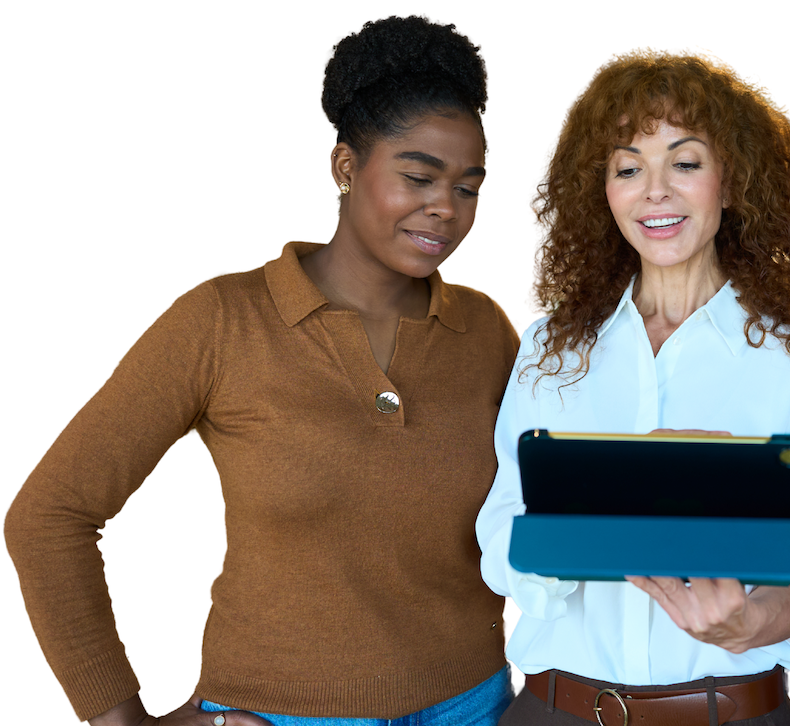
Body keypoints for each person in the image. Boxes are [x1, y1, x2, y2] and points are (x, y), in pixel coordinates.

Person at [6, 16, 519, 726]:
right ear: (345, 168)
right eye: (418, 177)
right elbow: (47, 518)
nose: (446, 208)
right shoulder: (223, 322)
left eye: (468, 187)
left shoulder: (484, 330)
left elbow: (539, 510)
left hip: (475, 704)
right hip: (277, 714)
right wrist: (118, 718)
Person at [474, 52, 790, 725]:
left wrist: (749, 622)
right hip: (558, 711)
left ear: (731, 183)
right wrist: (610, 510)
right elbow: (503, 544)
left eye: (685, 162)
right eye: (627, 168)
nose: (655, 191)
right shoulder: (551, 347)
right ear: (602, 191)